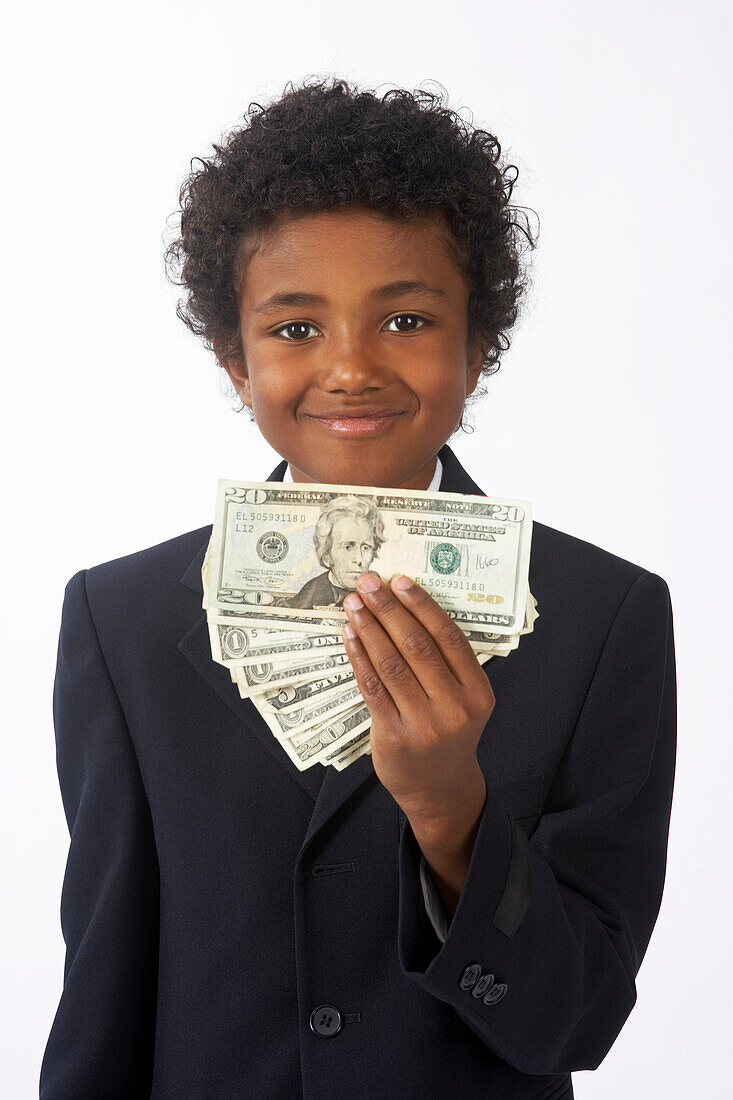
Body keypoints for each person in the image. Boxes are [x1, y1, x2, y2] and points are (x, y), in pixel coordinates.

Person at [40, 78, 677, 1100]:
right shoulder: (122, 621)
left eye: (406, 318)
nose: (348, 369)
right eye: (295, 329)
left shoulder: (603, 618)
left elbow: (581, 1013)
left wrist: (450, 809)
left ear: (478, 349)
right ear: (233, 360)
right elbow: (104, 990)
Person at [284, 495, 386, 609]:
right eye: (348, 547)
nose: (358, 559)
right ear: (327, 556)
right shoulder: (308, 598)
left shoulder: (378, 584)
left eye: (365, 548)